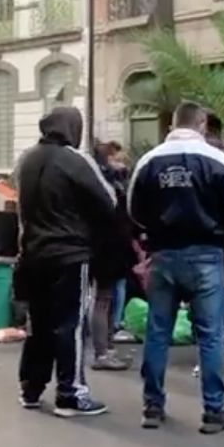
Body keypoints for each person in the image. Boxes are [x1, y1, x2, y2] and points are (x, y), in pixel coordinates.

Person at [128, 101, 224, 434]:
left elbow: (134, 210)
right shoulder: (220, 161)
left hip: (164, 254)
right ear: (202, 124)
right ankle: (214, 410)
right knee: (210, 335)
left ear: (172, 124)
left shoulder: (148, 162)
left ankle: (152, 405)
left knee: (158, 332)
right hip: (207, 255)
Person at [15, 107, 117, 418]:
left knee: (39, 323)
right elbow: (108, 199)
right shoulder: (75, 159)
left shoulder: (26, 160)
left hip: (33, 253)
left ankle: (31, 387)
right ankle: (70, 393)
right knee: (69, 324)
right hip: (70, 253)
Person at [89, 142, 135, 371]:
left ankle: (107, 347)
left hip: (112, 244)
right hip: (107, 245)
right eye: (118, 157)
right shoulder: (109, 182)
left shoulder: (106, 180)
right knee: (103, 297)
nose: (122, 162)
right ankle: (102, 351)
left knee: (109, 297)